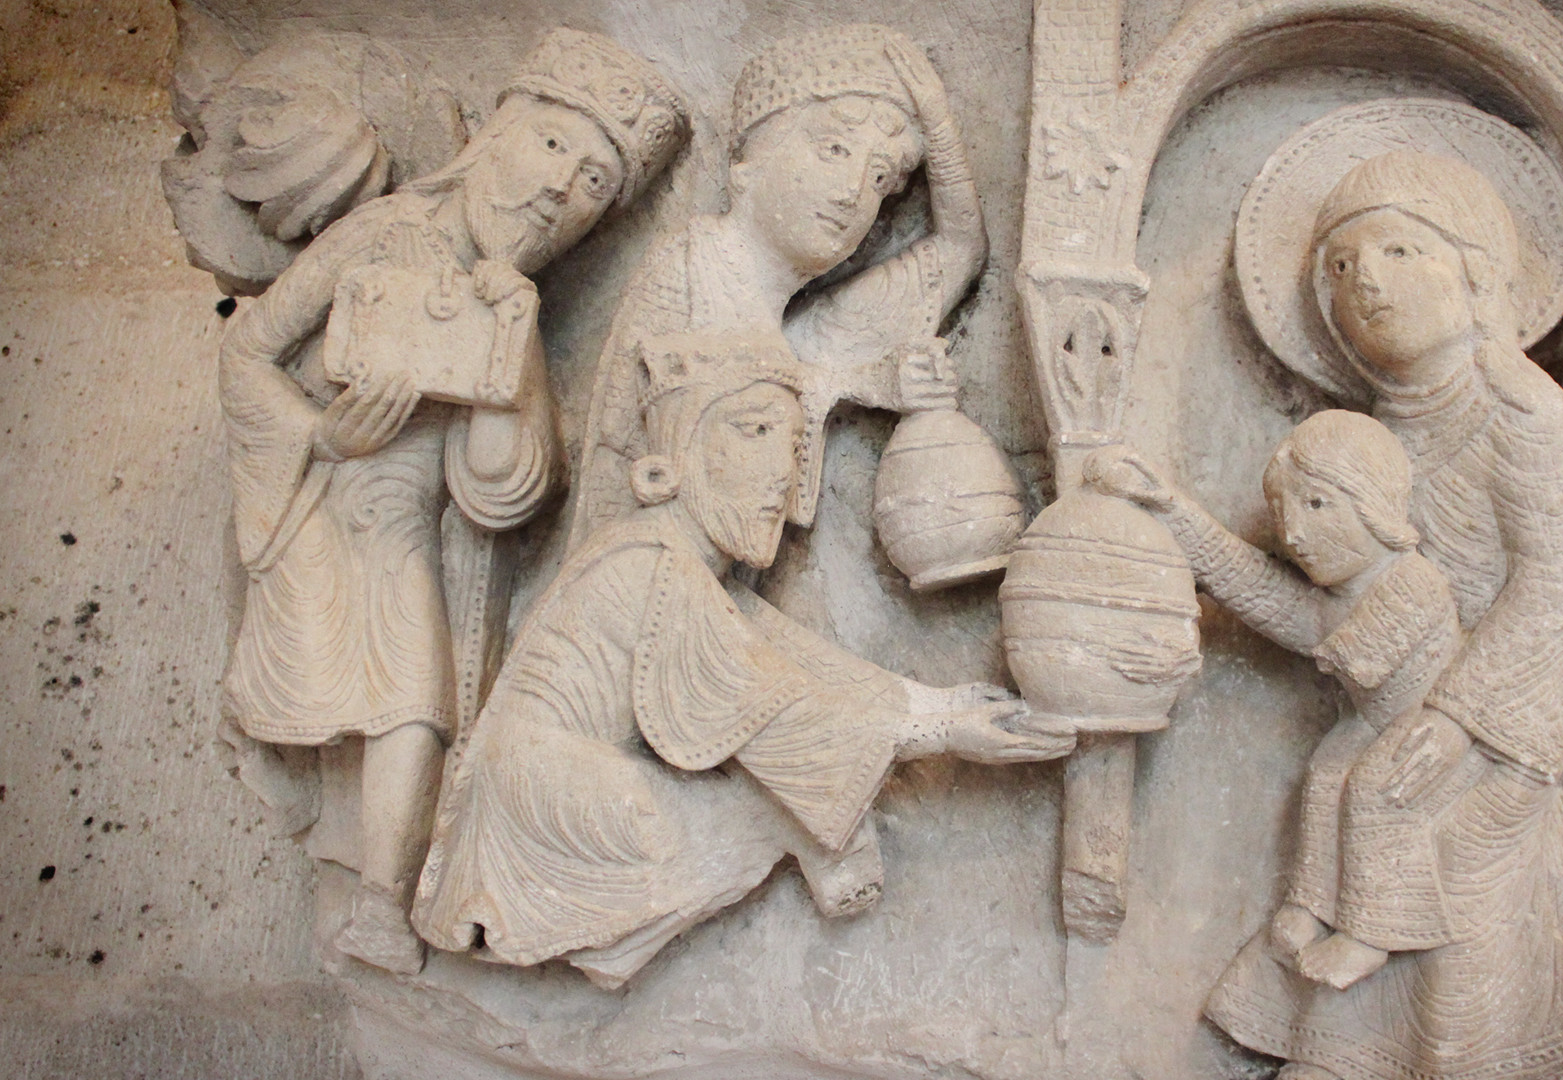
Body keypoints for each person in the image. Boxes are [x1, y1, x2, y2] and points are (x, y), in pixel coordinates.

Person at [215, 29, 687, 975]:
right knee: (337, 691)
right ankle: (349, 856)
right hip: (315, 510)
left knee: (418, 701)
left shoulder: (517, 305)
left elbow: (512, 488)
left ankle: (383, 907)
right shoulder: (384, 233)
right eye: (556, 144)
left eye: (596, 182)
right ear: (497, 132)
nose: (562, 186)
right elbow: (247, 350)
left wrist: (509, 364)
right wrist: (317, 435)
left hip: (403, 539)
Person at [411, 347, 1074, 991]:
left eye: (787, 447)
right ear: (669, 465)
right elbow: (768, 711)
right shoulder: (653, 561)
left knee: (780, 795)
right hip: (553, 799)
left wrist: (943, 705)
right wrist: (943, 735)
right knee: (755, 806)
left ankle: (820, 840)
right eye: (751, 432)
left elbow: (807, 667)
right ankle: (815, 844)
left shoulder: (694, 575)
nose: (777, 473)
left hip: (568, 788)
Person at [1200, 151, 1563, 1080]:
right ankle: (1349, 1056)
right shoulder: (1370, 433)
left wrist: (1461, 720)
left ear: (1473, 270)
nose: (1367, 282)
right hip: (1402, 700)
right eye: (1340, 268)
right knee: (1346, 779)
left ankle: (1472, 1059)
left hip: (1511, 711)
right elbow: (1323, 612)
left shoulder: (1520, 411)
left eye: (1398, 249)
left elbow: (1557, 582)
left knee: (1453, 838)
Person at [569, 23, 987, 551]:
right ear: (752, 159)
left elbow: (961, 247)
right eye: (834, 149)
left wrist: (939, 124)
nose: (853, 192)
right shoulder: (689, 266)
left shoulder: (801, 326)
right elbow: (640, 453)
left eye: (880, 177)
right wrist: (866, 383)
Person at [1087, 409, 1463, 992]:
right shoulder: (1338, 593)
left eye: (1316, 506)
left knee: (1369, 789)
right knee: (1327, 771)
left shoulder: (1412, 583)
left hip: (1424, 734)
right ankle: (1313, 902)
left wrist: (1185, 649)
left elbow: (1352, 654)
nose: (1292, 533)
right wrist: (1168, 507)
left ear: (1376, 504)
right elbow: (1256, 585)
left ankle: (1372, 932)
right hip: (1372, 722)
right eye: (1284, 512)